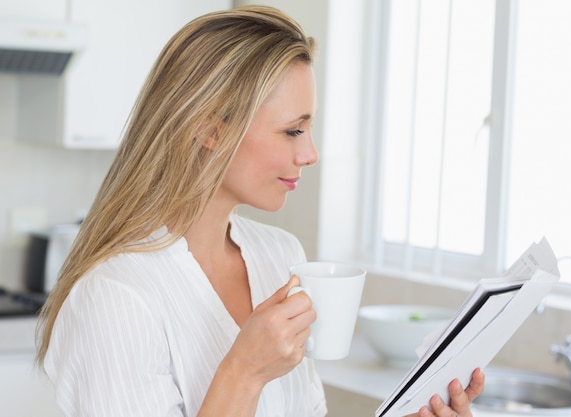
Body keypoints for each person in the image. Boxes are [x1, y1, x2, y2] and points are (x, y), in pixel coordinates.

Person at [36, 6, 484, 417]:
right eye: (292, 131)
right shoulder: (117, 297)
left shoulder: (279, 256)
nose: (310, 153)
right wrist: (243, 373)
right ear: (210, 128)